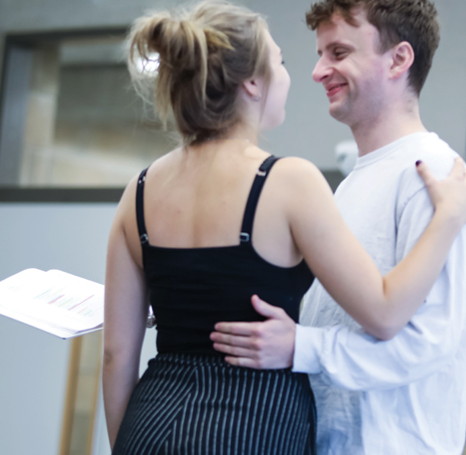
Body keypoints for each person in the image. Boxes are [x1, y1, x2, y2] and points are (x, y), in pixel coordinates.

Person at [102, 1, 466, 454]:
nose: (316, 72)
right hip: (279, 429)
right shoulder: (330, 185)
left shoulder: (435, 176)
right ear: (250, 83)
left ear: (399, 59)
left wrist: (301, 347)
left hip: (381, 441)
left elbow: (427, 341)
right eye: (301, 58)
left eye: (337, 52)